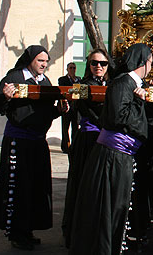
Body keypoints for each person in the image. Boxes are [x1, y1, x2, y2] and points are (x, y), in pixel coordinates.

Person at [69, 43, 153, 254]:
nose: (151, 67)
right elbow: (118, 117)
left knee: (118, 207)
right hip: (111, 155)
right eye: (151, 62)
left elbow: (145, 119)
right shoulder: (122, 83)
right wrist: (139, 102)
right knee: (107, 208)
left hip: (123, 156)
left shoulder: (133, 85)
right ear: (144, 62)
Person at [0, 45, 66, 250]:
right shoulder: (14, 77)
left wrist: (58, 110)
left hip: (38, 142)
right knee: (19, 187)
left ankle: (28, 229)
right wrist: (5, 96)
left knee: (35, 187)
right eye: (40, 61)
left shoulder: (45, 82)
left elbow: (46, 112)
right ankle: (16, 233)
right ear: (30, 60)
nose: (44, 65)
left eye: (46, 61)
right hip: (19, 142)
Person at [62, 49, 111, 248]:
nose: (98, 67)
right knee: (81, 185)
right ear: (88, 65)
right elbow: (82, 108)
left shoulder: (113, 84)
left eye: (103, 63)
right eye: (94, 63)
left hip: (106, 140)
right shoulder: (81, 86)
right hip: (88, 140)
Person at [58, 62, 80, 154]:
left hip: (75, 107)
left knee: (75, 128)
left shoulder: (79, 79)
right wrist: (73, 90)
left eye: (74, 68)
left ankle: (74, 146)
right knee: (65, 128)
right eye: (70, 68)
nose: (72, 69)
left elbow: (79, 92)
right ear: (67, 69)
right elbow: (64, 91)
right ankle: (65, 146)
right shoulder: (62, 79)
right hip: (66, 106)